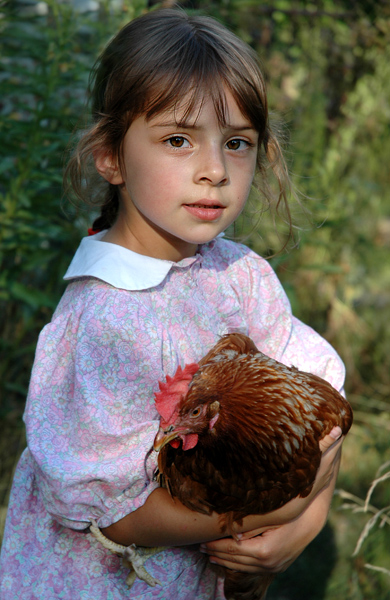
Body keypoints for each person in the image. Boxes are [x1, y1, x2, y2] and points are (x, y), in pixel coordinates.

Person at [0, 8, 346, 599]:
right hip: (107, 583)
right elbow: (116, 516)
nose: (213, 170)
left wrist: (306, 526)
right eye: (179, 140)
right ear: (111, 157)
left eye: (236, 143)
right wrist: (275, 515)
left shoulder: (242, 276)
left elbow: (326, 417)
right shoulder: (101, 319)